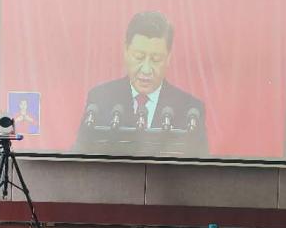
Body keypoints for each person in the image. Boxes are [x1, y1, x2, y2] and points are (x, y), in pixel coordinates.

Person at [74, 11, 208, 156]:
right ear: (126, 51)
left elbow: (199, 164)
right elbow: (80, 157)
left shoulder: (190, 110)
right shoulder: (100, 100)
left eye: (156, 59)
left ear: (168, 57)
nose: (146, 69)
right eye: (139, 57)